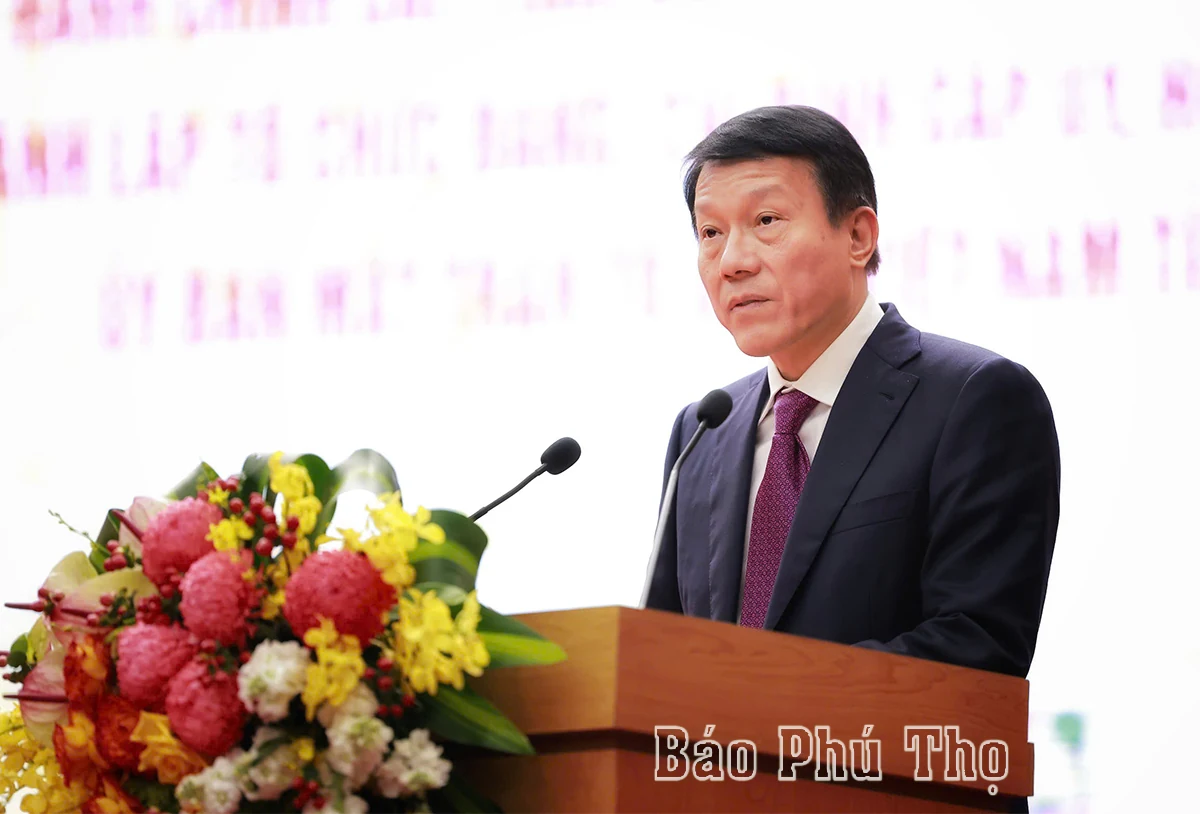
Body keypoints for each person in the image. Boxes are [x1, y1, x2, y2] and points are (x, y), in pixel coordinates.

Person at [642, 105, 1059, 683]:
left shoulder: (974, 400)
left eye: (766, 220)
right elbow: (665, 654)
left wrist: (760, 699)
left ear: (858, 236)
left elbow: (977, 647)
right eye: (711, 232)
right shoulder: (702, 432)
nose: (732, 261)